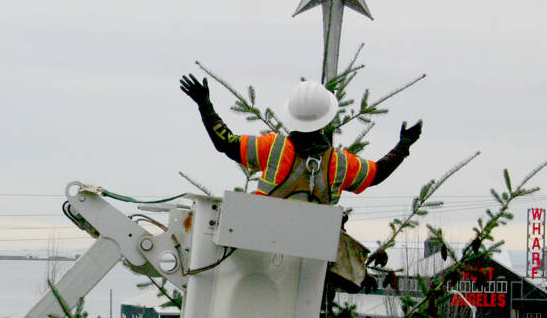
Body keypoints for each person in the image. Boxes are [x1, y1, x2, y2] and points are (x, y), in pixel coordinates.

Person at [180, 73, 422, 287]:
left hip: (255, 253)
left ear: (292, 116)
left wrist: (205, 105)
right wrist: (404, 145)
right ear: (326, 120)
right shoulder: (340, 163)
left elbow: (226, 143)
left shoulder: (273, 147)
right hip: (308, 268)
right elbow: (377, 173)